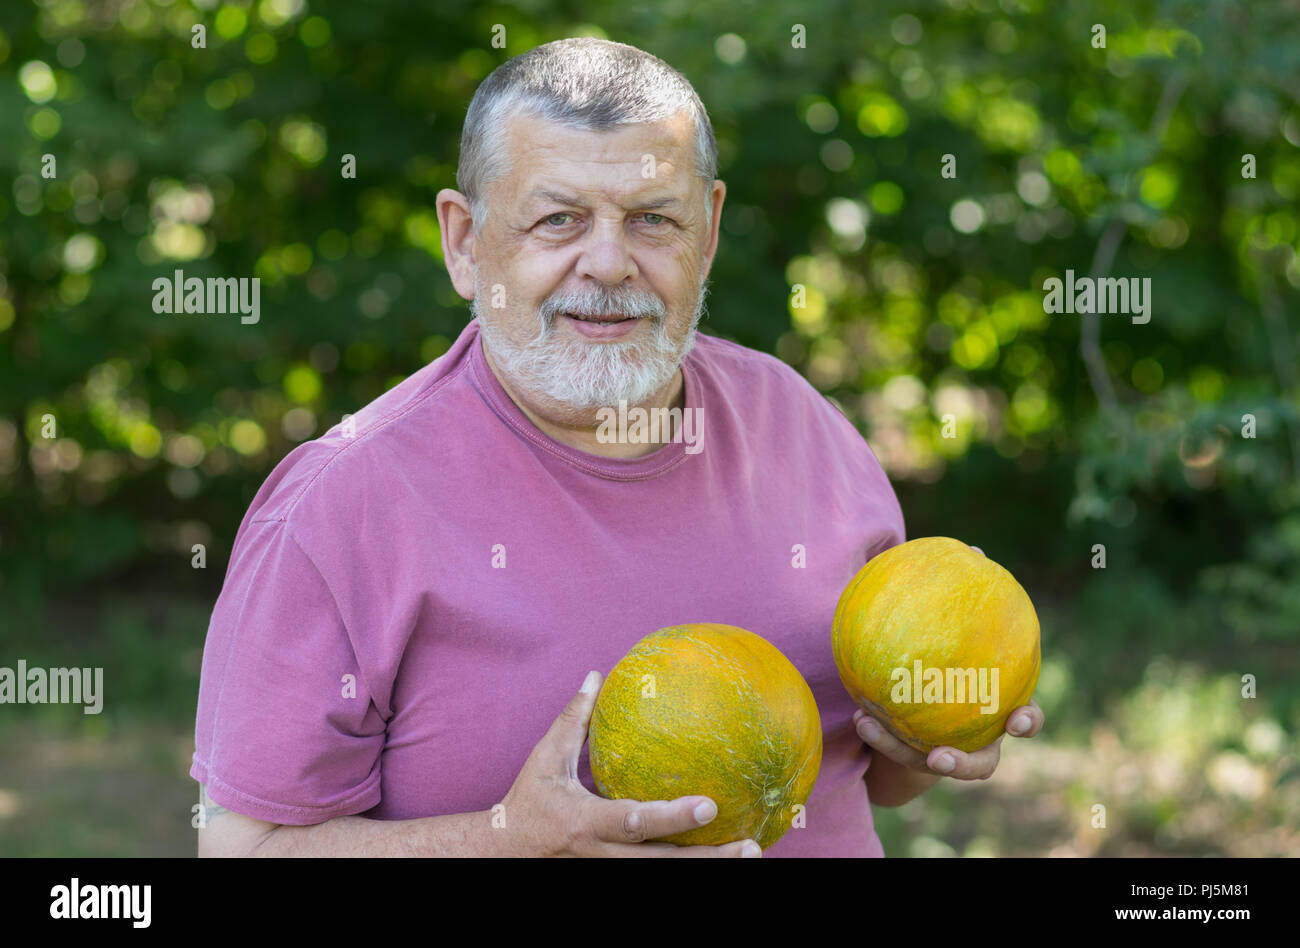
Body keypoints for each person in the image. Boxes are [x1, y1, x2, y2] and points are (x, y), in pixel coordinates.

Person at [192, 36, 1043, 858]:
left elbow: (872, 771)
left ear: (706, 232)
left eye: (651, 219)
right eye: (558, 219)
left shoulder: (801, 427)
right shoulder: (342, 506)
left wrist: (933, 734)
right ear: (463, 241)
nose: (609, 263)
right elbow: (245, 848)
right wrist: (506, 845)